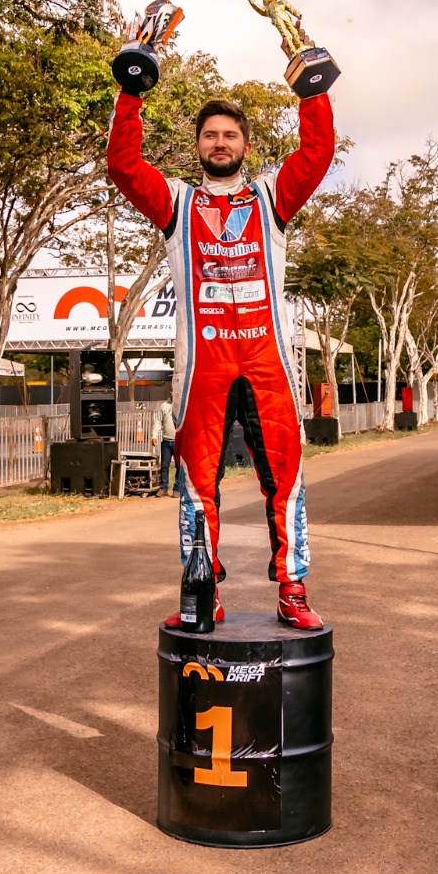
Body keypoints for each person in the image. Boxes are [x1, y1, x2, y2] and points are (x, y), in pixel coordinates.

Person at [106, 58, 335, 630]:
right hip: (202, 364)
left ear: (245, 146)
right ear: (198, 146)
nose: (220, 143)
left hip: (267, 360)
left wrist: (313, 93)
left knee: (285, 476)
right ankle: (201, 590)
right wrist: (130, 93)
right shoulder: (176, 202)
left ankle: (293, 589)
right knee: (196, 481)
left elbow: (316, 154)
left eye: (230, 135)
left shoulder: (271, 197)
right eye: (210, 135)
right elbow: (123, 165)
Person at [155, 398, 178, 496]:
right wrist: (154, 435)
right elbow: (158, 422)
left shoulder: (181, 405)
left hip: (178, 441)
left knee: (179, 466)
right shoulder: (164, 406)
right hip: (166, 441)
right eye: (171, 391)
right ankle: (163, 488)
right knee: (164, 466)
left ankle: (177, 489)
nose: (173, 393)